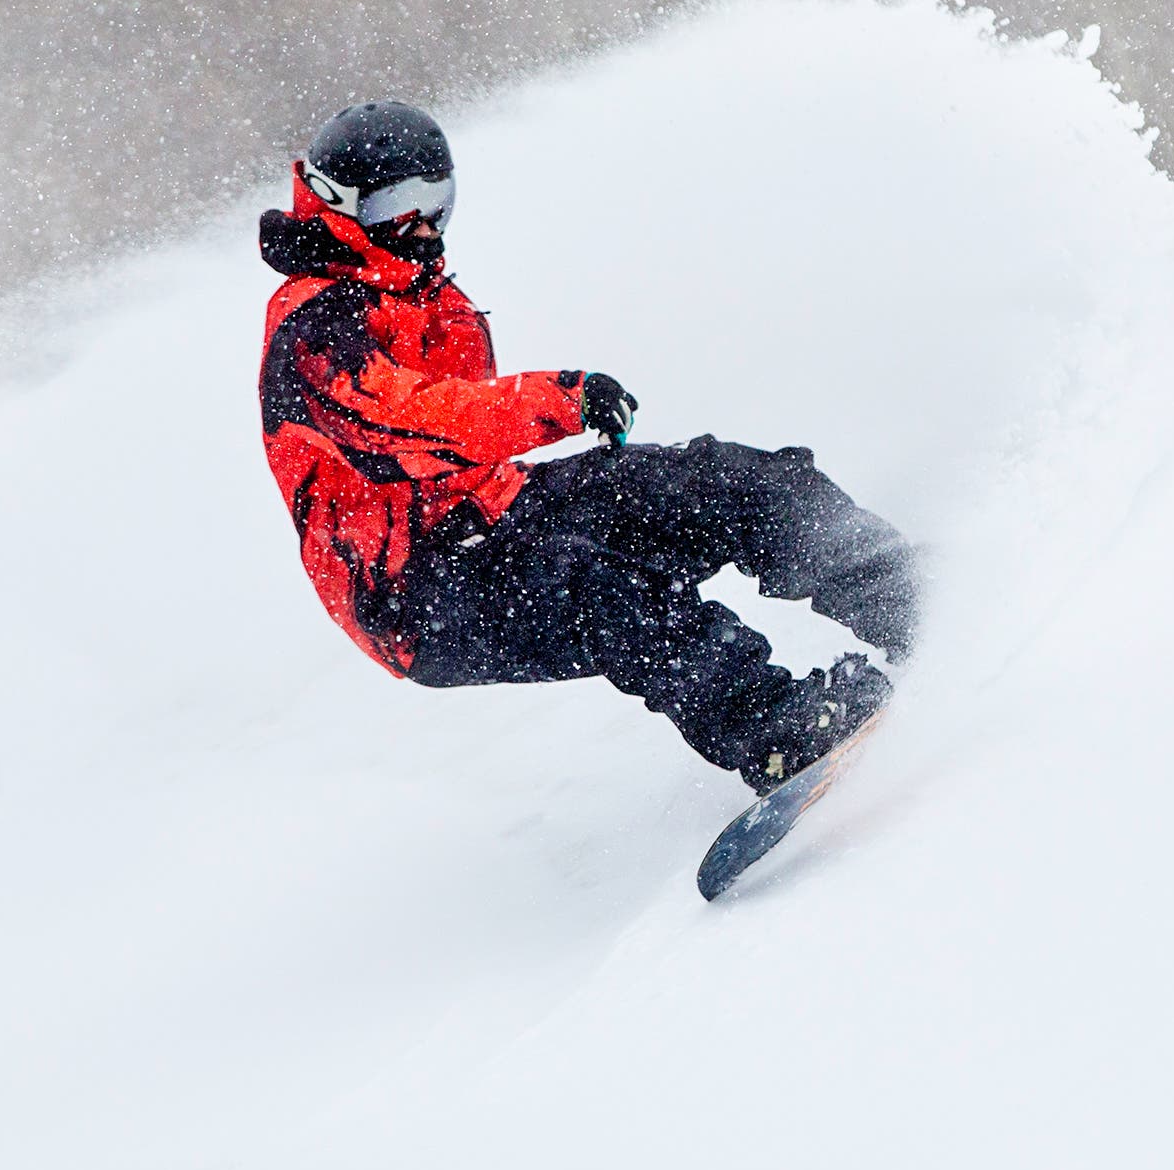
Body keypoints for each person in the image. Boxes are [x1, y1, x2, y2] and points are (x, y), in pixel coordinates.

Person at [256, 100, 919, 794]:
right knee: (605, 592)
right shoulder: (310, 331)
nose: (424, 224)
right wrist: (558, 400)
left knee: (713, 482)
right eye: (400, 203)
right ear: (339, 206)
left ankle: (899, 593)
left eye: (438, 201)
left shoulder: (421, 291)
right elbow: (404, 423)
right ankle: (778, 735)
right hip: (414, 591)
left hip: (499, 511)